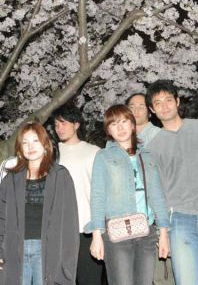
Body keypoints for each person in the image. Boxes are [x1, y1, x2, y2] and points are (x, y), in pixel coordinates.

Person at [145, 80, 198, 285]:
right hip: (179, 221)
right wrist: (163, 232)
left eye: (168, 100)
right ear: (152, 110)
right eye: (157, 103)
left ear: (177, 101)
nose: (164, 106)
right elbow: (156, 193)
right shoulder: (152, 148)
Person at [0, 122, 79, 284]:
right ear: (19, 148)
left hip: (48, 252)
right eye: (25, 142)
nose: (30, 146)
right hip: (14, 251)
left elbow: (70, 223)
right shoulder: (11, 179)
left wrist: (67, 266)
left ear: (45, 144)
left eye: (35, 140)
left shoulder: (60, 176)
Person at [86, 105, 170, 285]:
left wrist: (163, 233)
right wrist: (96, 236)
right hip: (117, 233)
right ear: (108, 130)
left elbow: (157, 196)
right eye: (114, 124)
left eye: (124, 121)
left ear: (132, 125)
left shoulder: (147, 156)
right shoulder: (103, 156)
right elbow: (97, 197)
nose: (120, 127)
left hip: (146, 232)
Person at [126, 93, 174, 285]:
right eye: (132, 106)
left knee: (164, 275)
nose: (136, 110)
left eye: (141, 106)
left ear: (149, 111)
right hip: (130, 217)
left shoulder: (160, 136)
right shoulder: (116, 140)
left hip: (159, 213)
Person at [53, 105, 103, 285]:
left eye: (63, 123)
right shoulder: (51, 153)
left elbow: (101, 192)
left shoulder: (94, 152)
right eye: (56, 125)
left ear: (76, 124)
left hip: (87, 228)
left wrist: (99, 231)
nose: (59, 128)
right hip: (58, 229)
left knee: (89, 280)